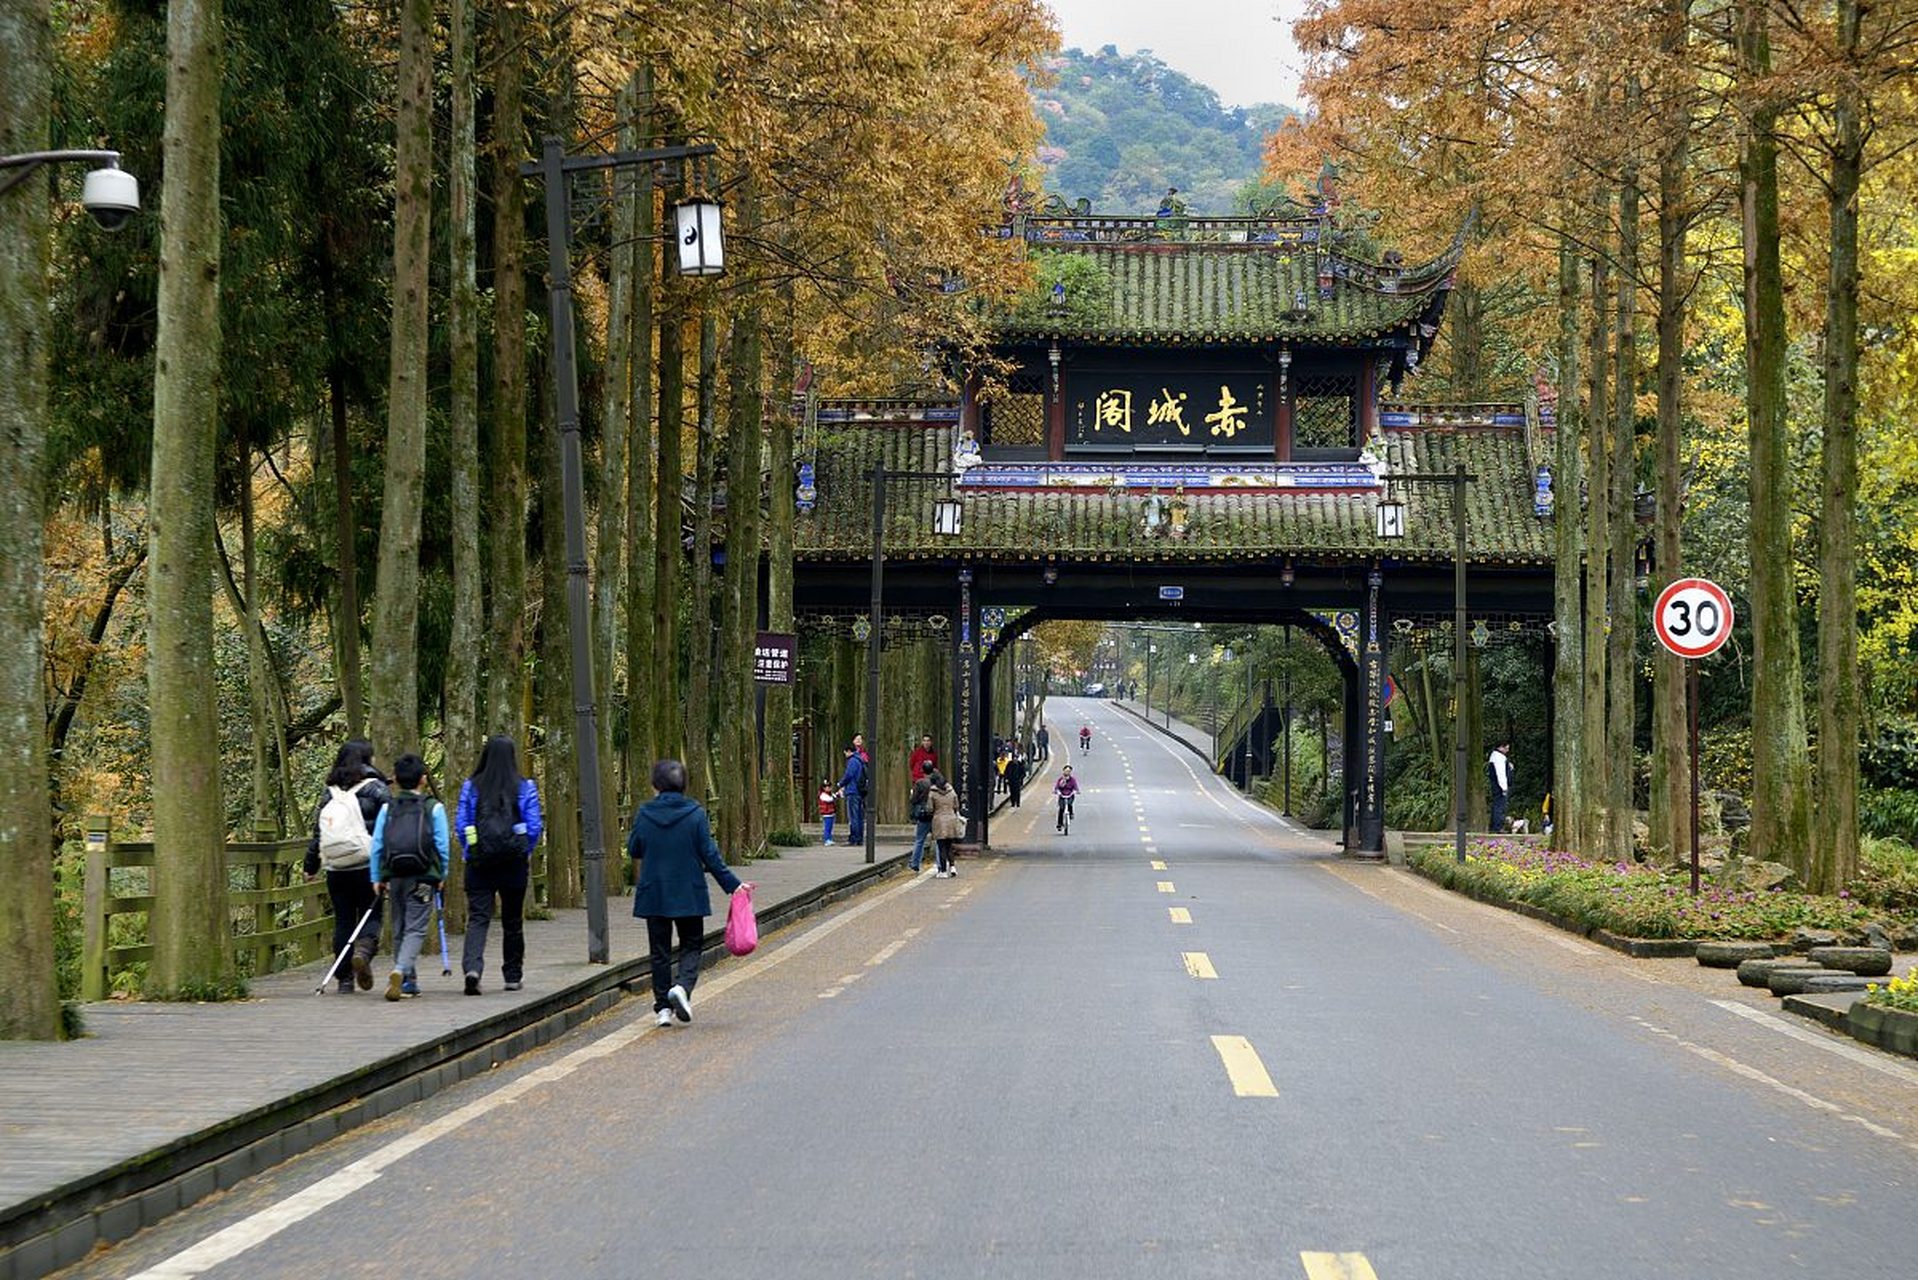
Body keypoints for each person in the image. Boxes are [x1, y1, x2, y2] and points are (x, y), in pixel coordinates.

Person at [627, 759, 746, 1028]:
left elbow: (634, 848)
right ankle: (682, 987)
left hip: (654, 892)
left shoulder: (645, 813)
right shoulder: (695, 814)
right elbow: (710, 855)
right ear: (684, 784)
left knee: (659, 951)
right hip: (688, 892)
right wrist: (733, 884)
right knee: (691, 944)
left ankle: (662, 1010)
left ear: (655, 785)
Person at [454, 735, 543, 996]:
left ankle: (472, 968)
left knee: (478, 917)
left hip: (480, 862)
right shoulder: (524, 786)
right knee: (512, 919)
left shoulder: (472, 786)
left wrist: (472, 848)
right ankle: (512, 975)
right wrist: (523, 847)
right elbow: (534, 824)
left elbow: (463, 824)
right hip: (513, 862)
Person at [304, 739, 388, 993]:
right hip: (367, 865)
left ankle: (345, 980)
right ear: (368, 760)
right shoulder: (377, 788)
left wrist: (311, 864)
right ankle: (362, 951)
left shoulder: (330, 792)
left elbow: (318, 834)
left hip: (336, 868)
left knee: (342, 921)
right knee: (370, 916)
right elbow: (390, 828)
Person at [369, 753, 448, 1001]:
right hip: (424, 876)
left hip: (395, 876)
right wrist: (442, 872)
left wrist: (376, 876)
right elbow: (442, 844)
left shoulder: (387, 808)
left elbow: (378, 845)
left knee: (400, 925)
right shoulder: (433, 807)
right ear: (422, 779)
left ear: (397, 780)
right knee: (416, 928)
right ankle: (401, 972)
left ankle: (408, 983)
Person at [926, 769, 963, 877]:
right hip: (951, 819)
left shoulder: (932, 793)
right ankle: (952, 867)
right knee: (950, 846)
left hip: (939, 820)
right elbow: (956, 805)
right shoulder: (951, 791)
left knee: (941, 846)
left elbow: (929, 808)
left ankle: (942, 871)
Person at [838, 744, 868, 846]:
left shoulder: (852, 761)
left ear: (848, 751)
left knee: (853, 816)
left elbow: (849, 775)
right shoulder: (860, 760)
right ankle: (859, 838)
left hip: (852, 790)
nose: (845, 755)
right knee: (859, 815)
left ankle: (853, 838)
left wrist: (841, 783)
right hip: (860, 791)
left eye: (845, 753)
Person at [908, 769, 934, 872]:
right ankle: (941, 864)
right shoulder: (936, 783)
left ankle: (915, 863)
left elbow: (914, 799)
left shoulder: (920, 783)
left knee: (919, 840)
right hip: (934, 814)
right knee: (938, 841)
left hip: (923, 814)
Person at [1488, 740, 1512, 832]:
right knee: (1500, 806)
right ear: (1501, 747)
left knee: (1497, 805)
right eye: (1506, 748)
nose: (1507, 750)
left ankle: (1494, 826)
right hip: (1499, 787)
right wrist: (1504, 788)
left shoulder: (1496, 757)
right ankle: (1497, 827)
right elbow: (1501, 774)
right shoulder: (1499, 758)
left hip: (1497, 786)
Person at [1054, 764, 1080, 832]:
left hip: (1069, 795)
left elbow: (1075, 787)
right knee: (1061, 809)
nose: (1067, 772)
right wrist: (1057, 791)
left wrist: (1076, 791)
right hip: (1062, 795)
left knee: (1069, 804)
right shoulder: (1060, 780)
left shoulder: (1072, 780)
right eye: (1066, 771)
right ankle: (1059, 824)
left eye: (1068, 771)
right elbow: (1057, 787)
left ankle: (1071, 813)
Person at [817, 778, 838, 845]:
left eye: (829, 786)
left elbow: (834, 796)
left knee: (830, 827)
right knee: (827, 827)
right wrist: (835, 796)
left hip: (831, 813)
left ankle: (829, 838)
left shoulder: (830, 794)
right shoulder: (823, 795)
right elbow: (829, 799)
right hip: (826, 813)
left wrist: (838, 794)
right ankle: (826, 839)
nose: (828, 788)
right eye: (826, 786)